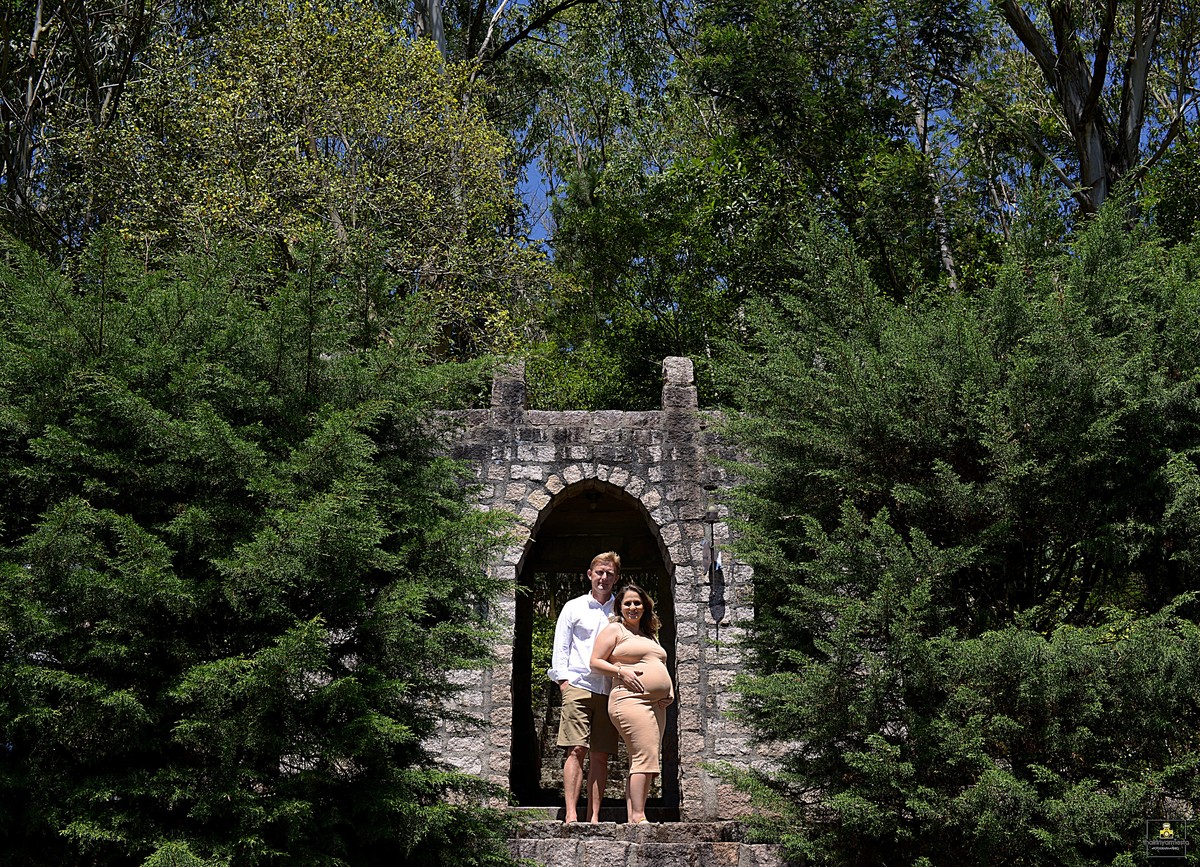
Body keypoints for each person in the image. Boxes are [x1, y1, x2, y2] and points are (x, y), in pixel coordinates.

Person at [589, 583, 674, 824]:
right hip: (630, 700)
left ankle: (634, 817)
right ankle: (638, 816)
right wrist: (621, 672)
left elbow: (659, 664)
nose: (633, 607)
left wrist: (669, 690)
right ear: (620, 607)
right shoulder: (615, 629)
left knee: (646, 757)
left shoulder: (649, 634)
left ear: (645, 606)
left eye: (637, 603)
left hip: (657, 705)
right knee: (645, 756)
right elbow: (595, 661)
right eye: (627, 603)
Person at [547, 551, 621, 823]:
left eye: (609, 573)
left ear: (617, 578)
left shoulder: (621, 609)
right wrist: (564, 682)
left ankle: (594, 817)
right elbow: (561, 646)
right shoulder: (574, 607)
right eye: (599, 572)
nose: (604, 578)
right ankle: (571, 814)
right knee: (576, 749)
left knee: (600, 755)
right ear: (590, 575)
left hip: (609, 689)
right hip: (578, 685)